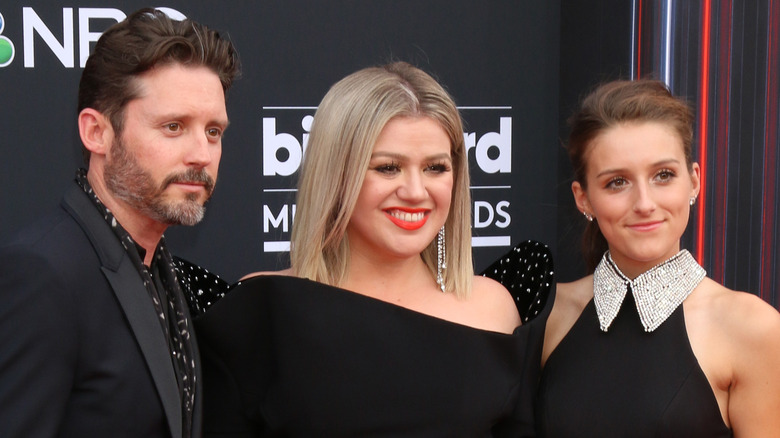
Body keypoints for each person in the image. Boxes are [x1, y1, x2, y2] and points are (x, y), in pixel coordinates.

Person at [195, 61, 554, 437]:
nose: (416, 191)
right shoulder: (264, 307)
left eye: (435, 168)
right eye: (388, 168)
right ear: (337, 176)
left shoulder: (493, 307)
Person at [0, 8, 239, 438]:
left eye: (213, 132)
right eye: (173, 126)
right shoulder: (43, 274)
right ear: (97, 133)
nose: (202, 154)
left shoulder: (161, 269)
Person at [536, 79, 780, 436]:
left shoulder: (752, 328)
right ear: (583, 198)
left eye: (663, 176)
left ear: (693, 181)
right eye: (617, 182)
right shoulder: (549, 315)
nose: (645, 204)